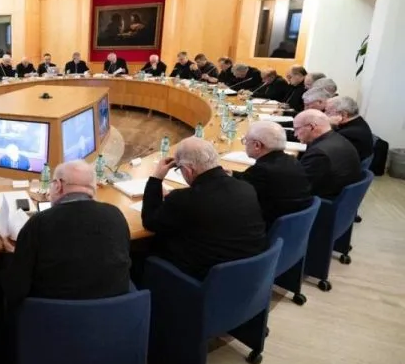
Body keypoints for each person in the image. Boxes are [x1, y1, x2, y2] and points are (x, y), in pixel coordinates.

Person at [2, 159, 130, 311]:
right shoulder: (116, 215)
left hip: (51, 318)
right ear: (93, 187)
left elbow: (15, 290)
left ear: (58, 186)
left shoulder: (39, 223)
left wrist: (12, 255)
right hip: (113, 317)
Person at [140, 137, 266, 280]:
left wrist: (156, 179)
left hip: (208, 280)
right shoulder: (245, 187)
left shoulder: (183, 199)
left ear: (188, 170)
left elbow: (150, 222)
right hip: (252, 273)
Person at [232, 121, 313, 227]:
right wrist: (232, 173)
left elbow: (238, 193)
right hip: (296, 222)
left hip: (271, 225)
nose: (245, 144)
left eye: (245, 141)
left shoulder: (262, 170)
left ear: (257, 145)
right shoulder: (291, 160)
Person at [293, 109, 362, 199]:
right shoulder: (337, 138)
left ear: (312, 127)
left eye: (297, 129)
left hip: (323, 201)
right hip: (337, 194)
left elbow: (299, 187)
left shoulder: (319, 154)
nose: (295, 134)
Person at [325, 96, 374, 161]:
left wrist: (326, 125)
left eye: (328, 112)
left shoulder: (348, 134)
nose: (324, 115)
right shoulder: (358, 120)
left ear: (343, 115)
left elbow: (324, 148)